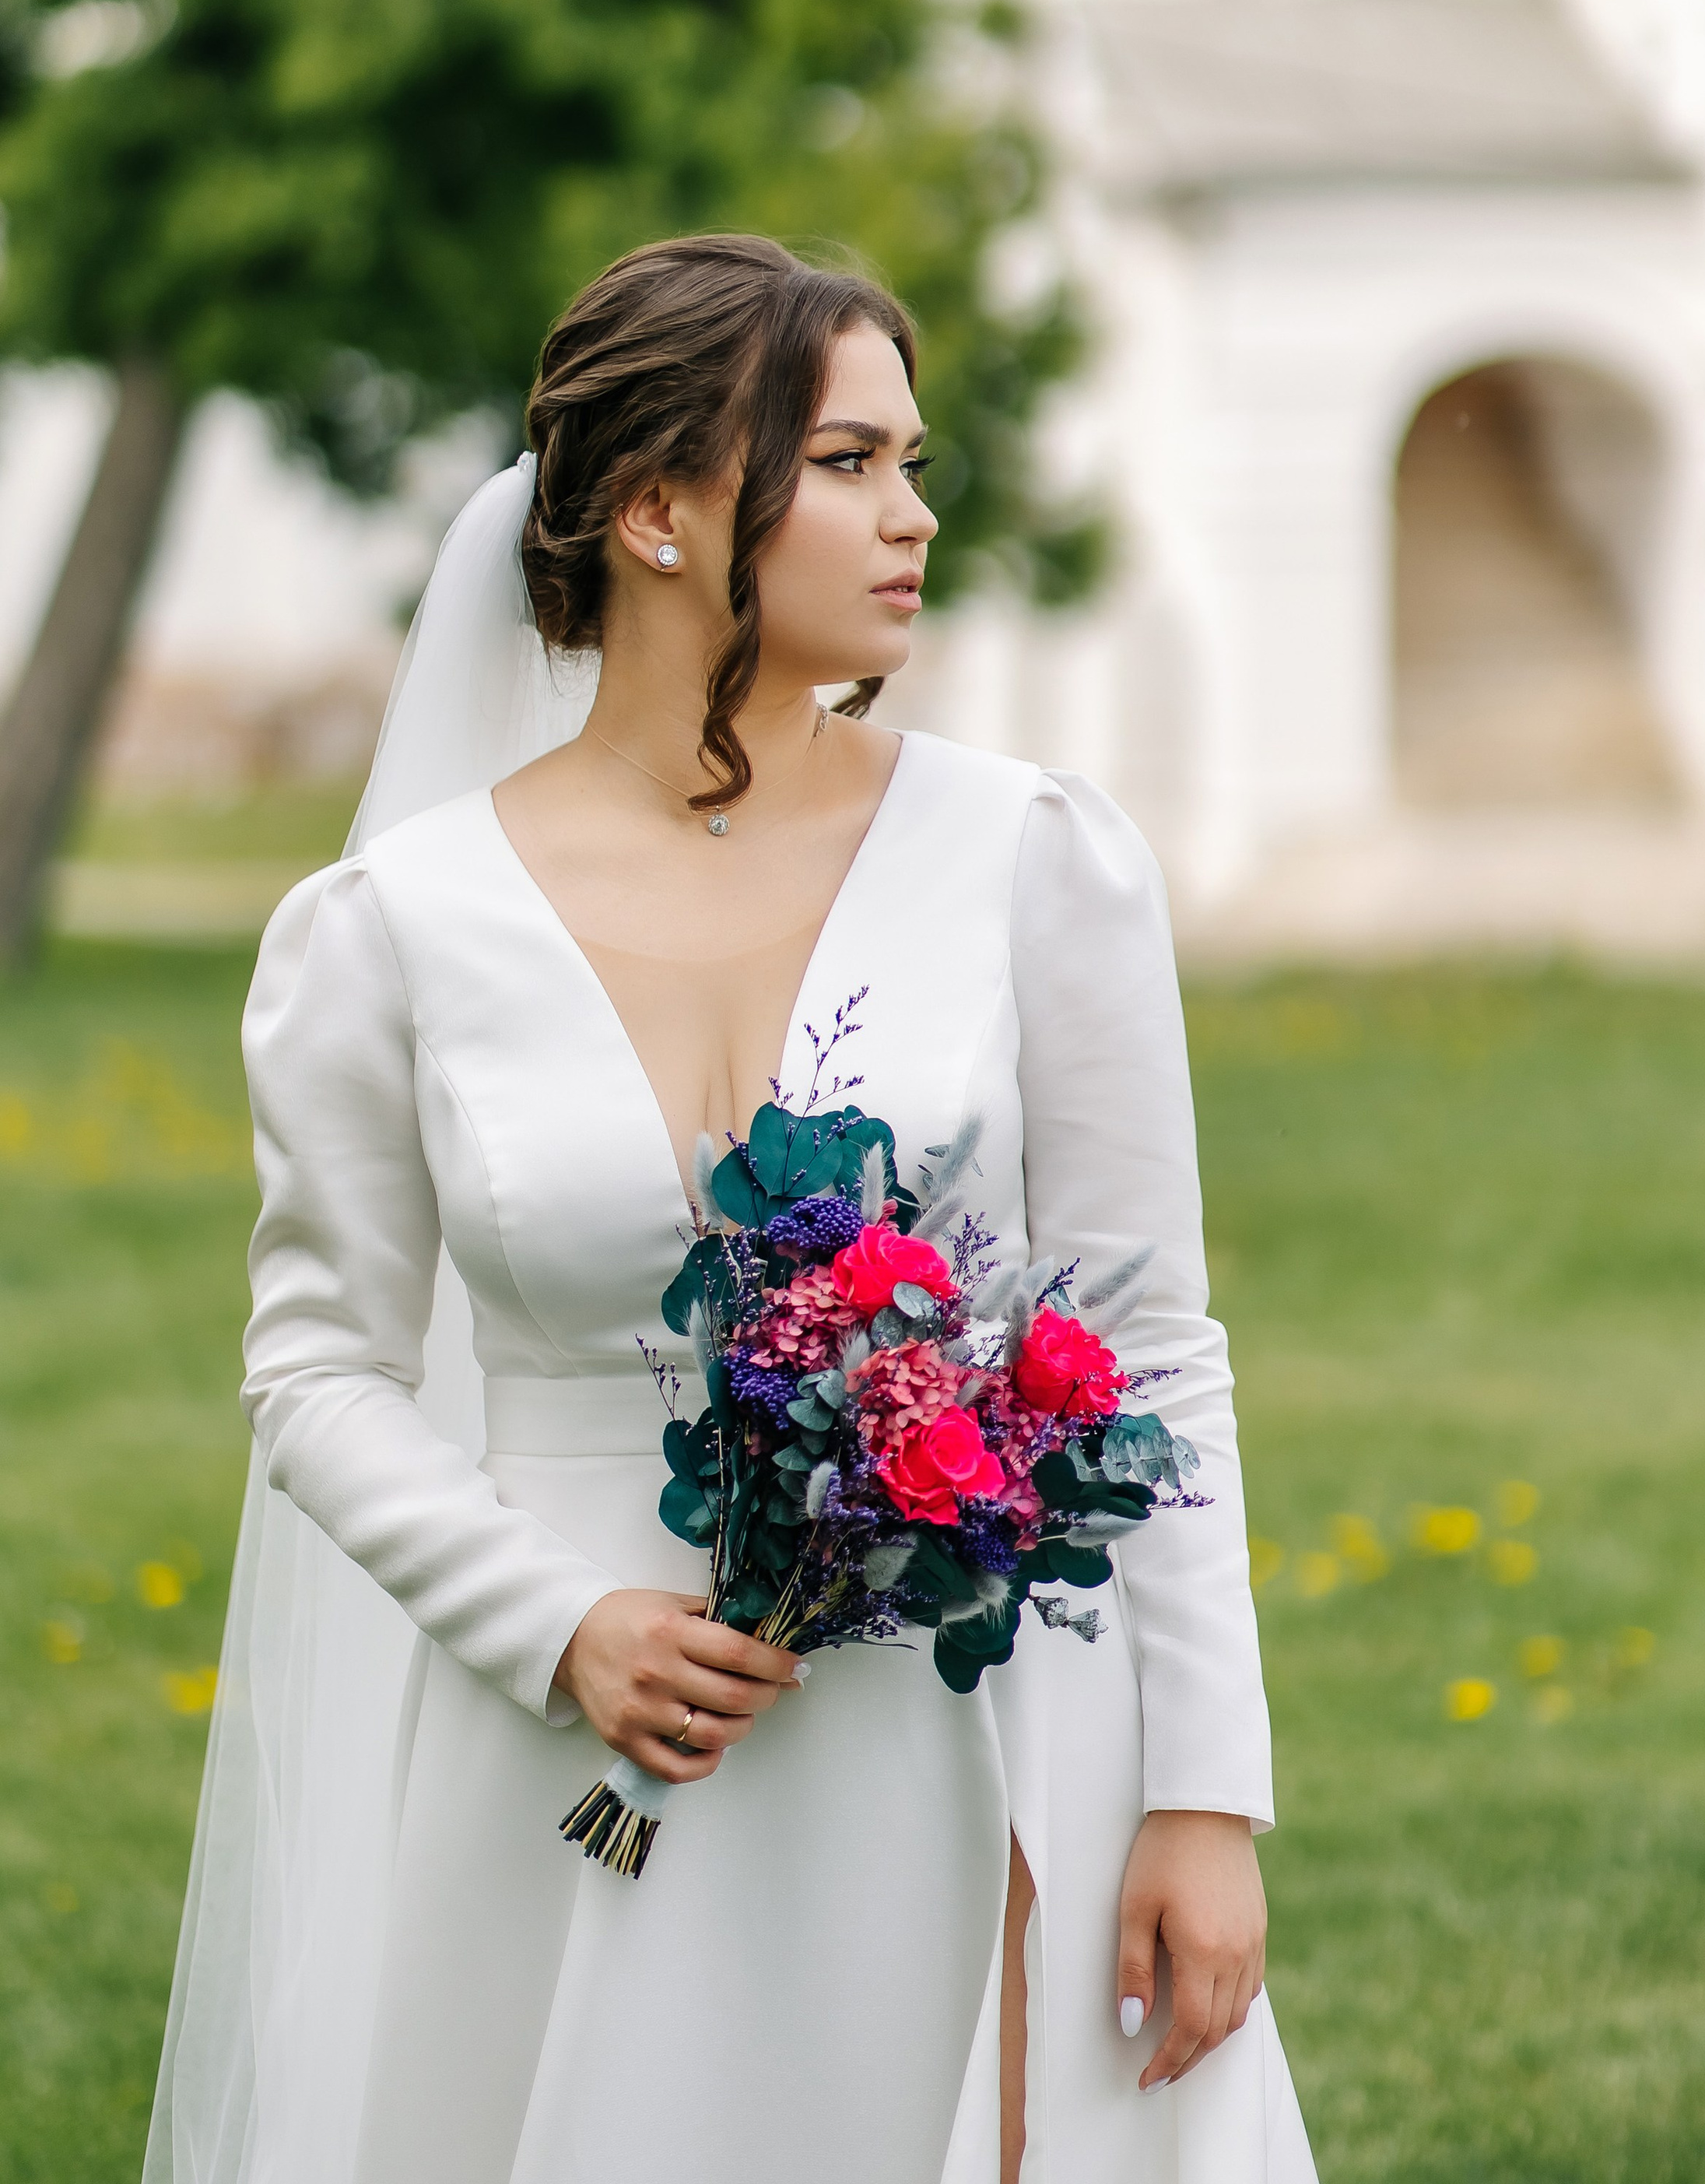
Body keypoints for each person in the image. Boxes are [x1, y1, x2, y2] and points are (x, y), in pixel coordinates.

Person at [146, 233, 1315, 2184]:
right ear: (657, 511)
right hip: (571, 1743)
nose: (913, 515)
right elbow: (320, 1366)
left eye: (909, 461)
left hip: (983, 1718)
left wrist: (1201, 1798)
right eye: (849, 461)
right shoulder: (388, 933)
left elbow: (1147, 1341)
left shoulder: (1030, 859)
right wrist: (555, 1623)